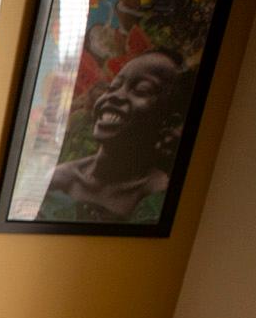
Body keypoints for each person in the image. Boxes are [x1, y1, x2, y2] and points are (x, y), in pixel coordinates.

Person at [41, 49, 192, 223]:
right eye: (113, 87)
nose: (115, 96)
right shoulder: (60, 178)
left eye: (141, 90)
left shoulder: (158, 194)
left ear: (170, 121)